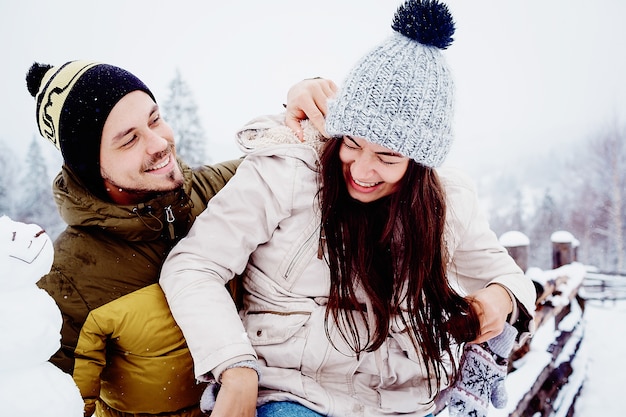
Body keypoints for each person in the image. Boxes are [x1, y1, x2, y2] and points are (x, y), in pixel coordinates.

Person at [160, 1, 536, 417]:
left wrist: (501, 297)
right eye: (351, 143)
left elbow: (509, 279)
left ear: (419, 164)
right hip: (292, 395)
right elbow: (194, 265)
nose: (361, 169)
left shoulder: (449, 204)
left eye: (388, 158)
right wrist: (235, 369)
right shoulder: (286, 174)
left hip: (407, 405)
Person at [26, 60, 335, 417]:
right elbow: (56, 405)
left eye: (155, 119)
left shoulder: (225, 190)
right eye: (129, 139)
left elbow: (301, 158)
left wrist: (307, 95)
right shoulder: (71, 277)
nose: (159, 143)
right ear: (91, 168)